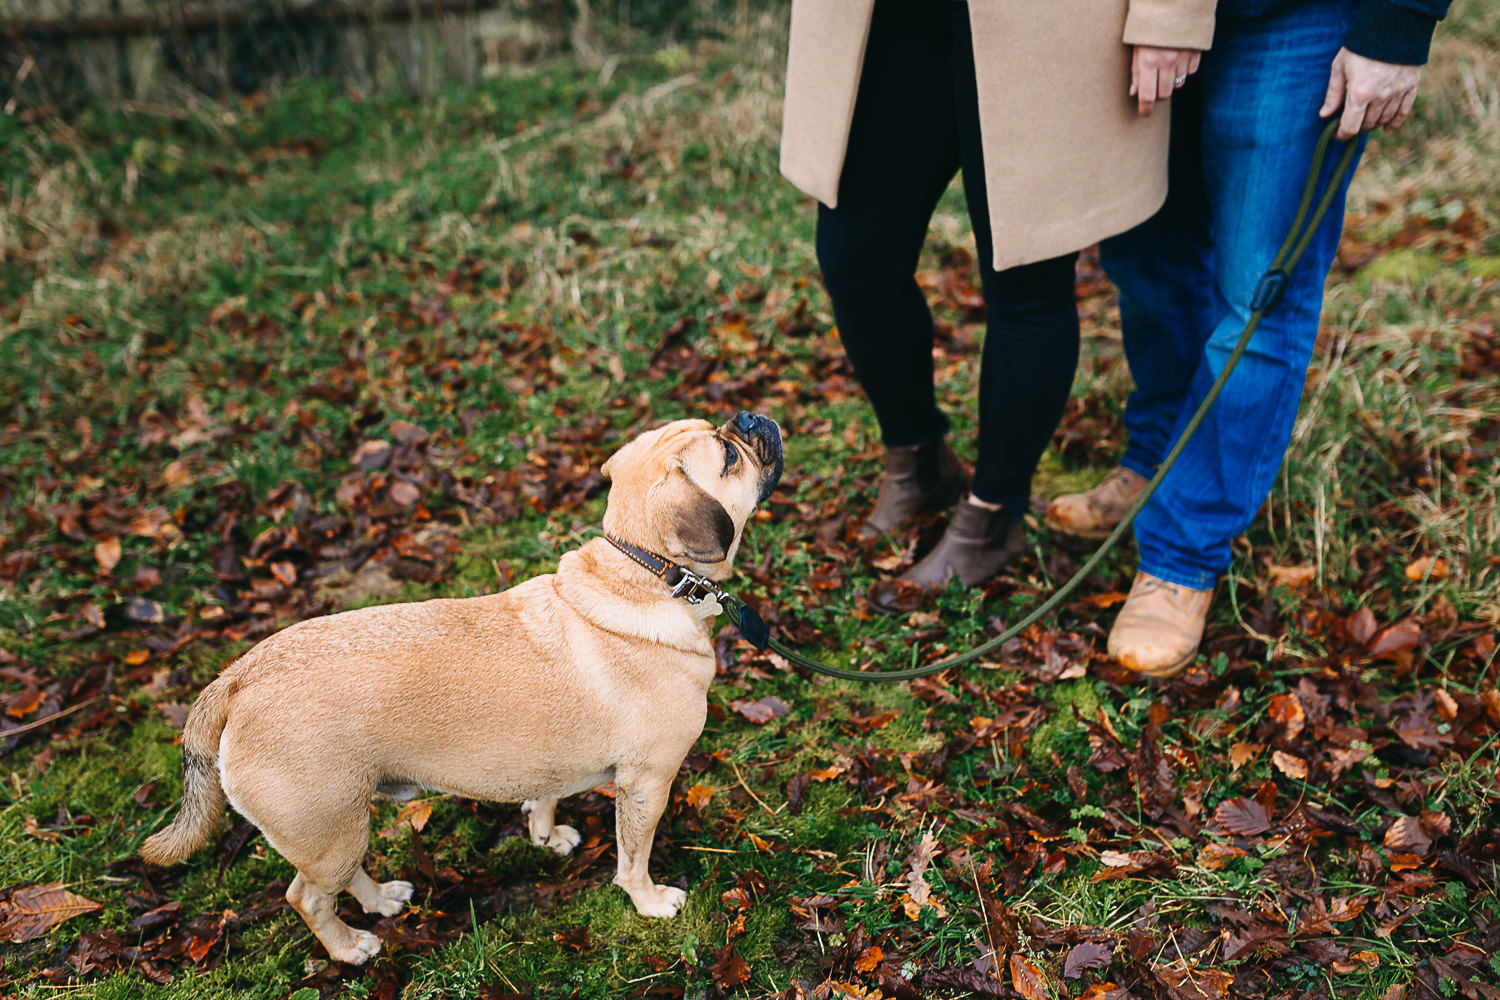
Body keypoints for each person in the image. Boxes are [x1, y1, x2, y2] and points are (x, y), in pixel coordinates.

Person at [1046, 0, 1453, 677]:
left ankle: (1182, 554)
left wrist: (1399, 22)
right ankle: (1153, 460)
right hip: (1139, 14)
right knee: (1148, 258)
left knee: (1260, 295)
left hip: (1296, 17)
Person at [780, 0, 1216, 610]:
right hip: (890, 16)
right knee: (855, 254)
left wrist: (1170, 19)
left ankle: (992, 516)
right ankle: (918, 460)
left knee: (1025, 274)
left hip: (1050, 24)